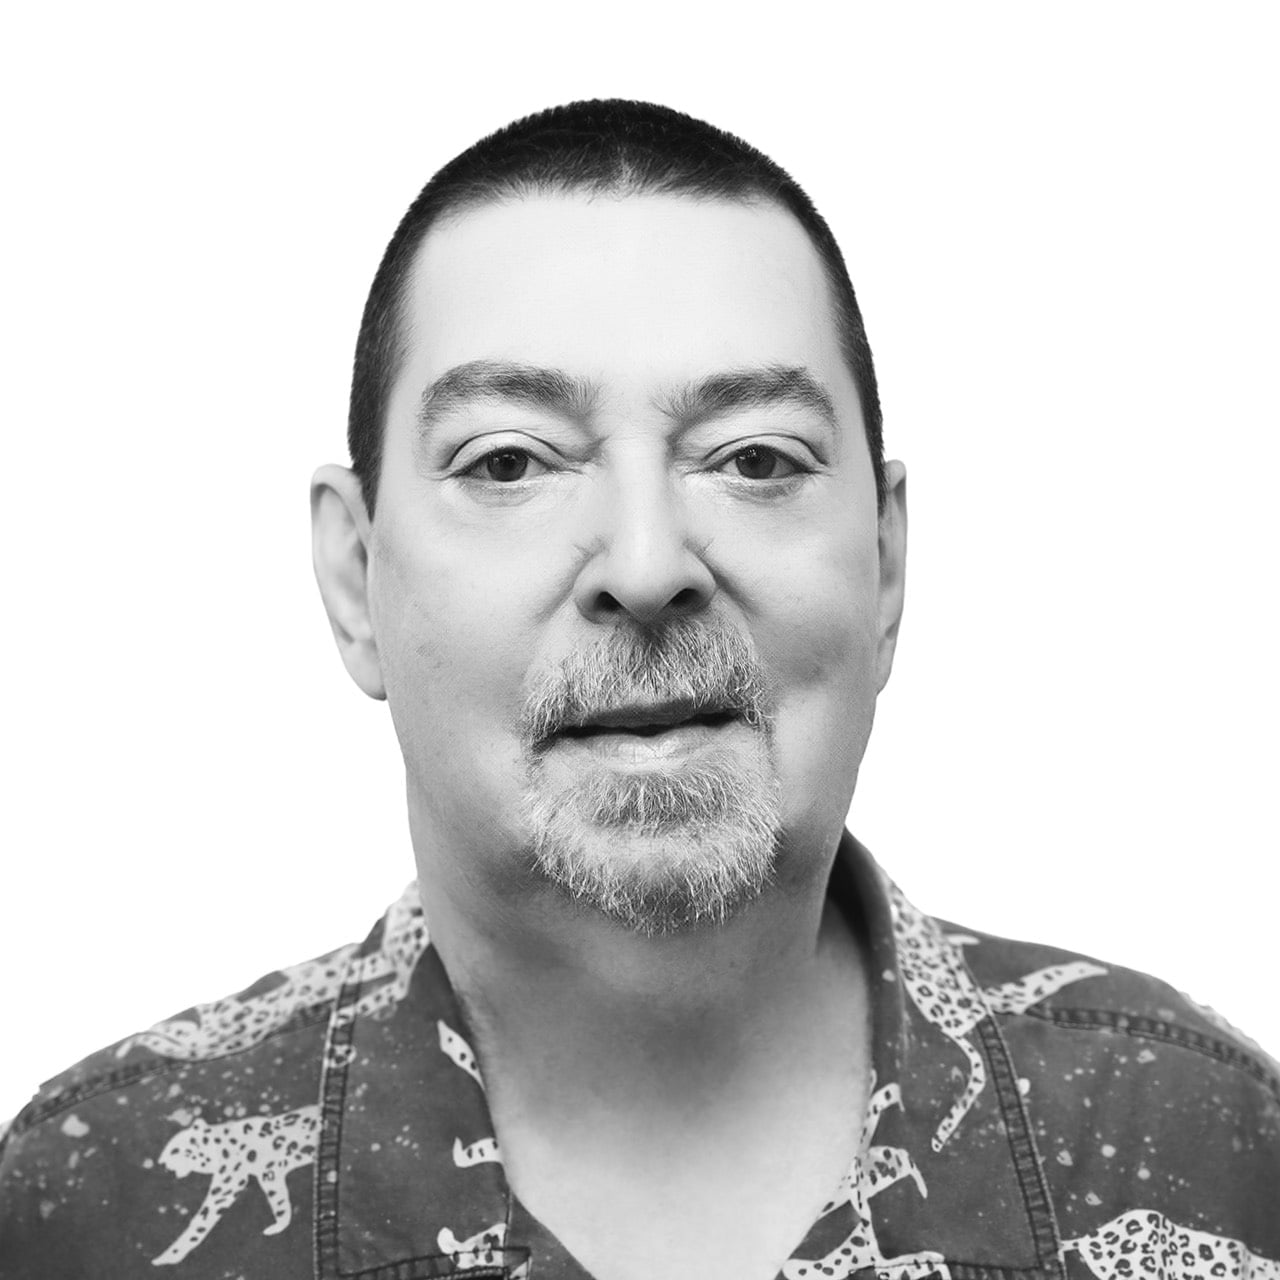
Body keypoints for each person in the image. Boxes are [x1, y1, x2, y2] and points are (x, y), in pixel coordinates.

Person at [1, 99, 1275, 1280]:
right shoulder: (92, 1207)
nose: (648, 562)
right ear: (353, 576)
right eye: (508, 462)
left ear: (885, 564)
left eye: (754, 458)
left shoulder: (1207, 1144)